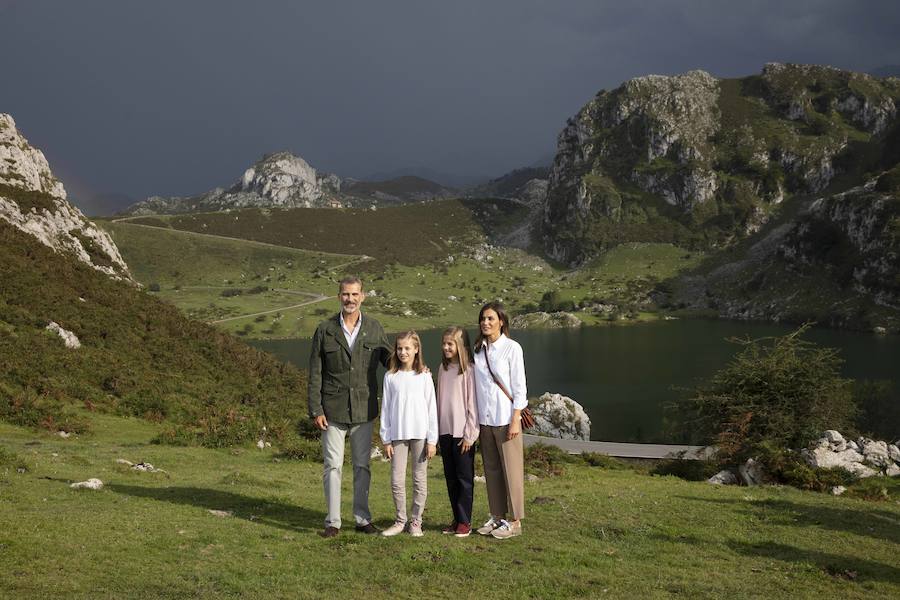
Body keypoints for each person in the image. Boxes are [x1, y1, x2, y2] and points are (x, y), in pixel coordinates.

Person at [307, 276, 391, 538]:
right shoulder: (325, 329)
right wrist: (316, 409)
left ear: (363, 296)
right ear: (338, 296)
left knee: (362, 466)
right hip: (332, 410)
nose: (350, 299)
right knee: (333, 466)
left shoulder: (375, 328)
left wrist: (415, 366)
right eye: (345, 294)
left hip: (363, 410)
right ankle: (333, 522)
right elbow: (315, 372)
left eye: (355, 295)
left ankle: (362, 518)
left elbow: (390, 359)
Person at [472, 301, 527, 539]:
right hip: (485, 420)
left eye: (491, 319)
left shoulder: (512, 348)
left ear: (501, 322)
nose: (486, 323)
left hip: (506, 420)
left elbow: (520, 388)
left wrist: (516, 419)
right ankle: (497, 517)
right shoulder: (478, 350)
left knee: (511, 471)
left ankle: (514, 522)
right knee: (492, 470)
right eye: (483, 319)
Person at [379, 331, 438, 537]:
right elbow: (385, 409)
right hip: (397, 436)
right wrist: (385, 438)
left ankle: (416, 521)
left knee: (419, 479)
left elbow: (432, 408)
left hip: (420, 435)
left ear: (416, 349)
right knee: (396, 479)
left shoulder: (424, 375)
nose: (403, 352)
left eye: (407, 348)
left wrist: (432, 440)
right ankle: (400, 520)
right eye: (399, 348)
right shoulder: (390, 377)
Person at [436, 326, 479, 538]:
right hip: (445, 432)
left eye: (450, 344)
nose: (446, 347)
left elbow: (473, 405)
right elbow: (438, 401)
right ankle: (456, 518)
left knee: (464, 479)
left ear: (461, 346)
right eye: (444, 343)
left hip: (463, 435)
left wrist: (470, 434)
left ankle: (465, 521)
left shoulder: (469, 370)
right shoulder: (442, 370)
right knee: (451, 478)